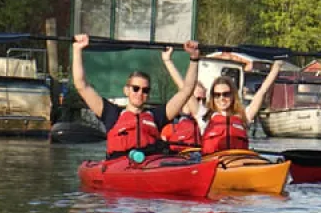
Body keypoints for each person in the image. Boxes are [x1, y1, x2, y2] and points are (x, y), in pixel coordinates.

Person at [71, 34, 201, 159]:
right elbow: (82, 85)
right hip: (120, 165)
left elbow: (187, 90)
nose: (140, 93)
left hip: (149, 164)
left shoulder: (157, 116)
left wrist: (194, 58)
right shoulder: (111, 113)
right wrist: (77, 50)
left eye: (145, 90)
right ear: (126, 90)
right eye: (135, 88)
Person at [197, 61, 282, 154]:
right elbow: (186, 90)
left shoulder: (244, 115)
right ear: (213, 97)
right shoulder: (205, 116)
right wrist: (194, 59)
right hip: (213, 163)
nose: (222, 98)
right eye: (217, 95)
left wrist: (276, 67)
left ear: (233, 95)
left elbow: (262, 91)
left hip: (237, 163)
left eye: (226, 94)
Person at [159, 47, 204, 149]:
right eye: (194, 99)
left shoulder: (204, 123)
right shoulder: (169, 128)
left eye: (201, 99)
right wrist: (168, 61)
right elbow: (184, 87)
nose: (196, 103)